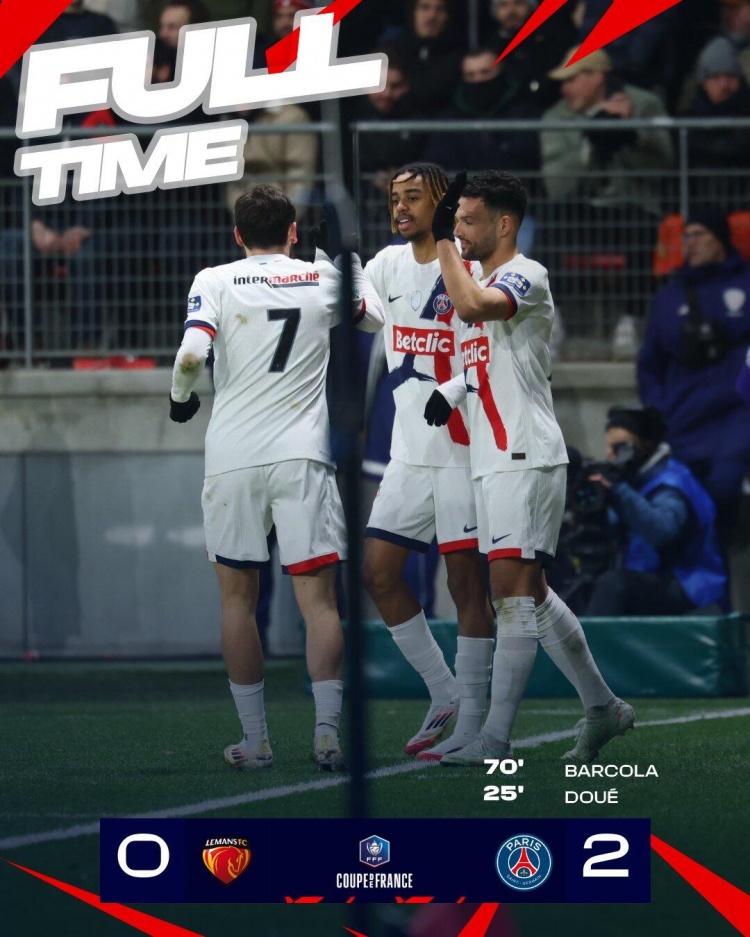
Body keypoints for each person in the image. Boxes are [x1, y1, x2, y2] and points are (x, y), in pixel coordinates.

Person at [167, 184, 384, 771]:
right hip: (302, 458)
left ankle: (256, 741)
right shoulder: (321, 278)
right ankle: (328, 735)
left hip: (233, 459)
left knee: (237, 601)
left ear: (238, 234)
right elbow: (374, 318)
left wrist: (180, 398)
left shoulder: (214, 279)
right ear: (292, 232)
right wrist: (346, 262)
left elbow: (191, 354)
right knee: (320, 603)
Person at [430, 169, 634, 766]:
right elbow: (494, 362)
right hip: (494, 459)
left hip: (524, 453)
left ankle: (494, 740)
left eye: (468, 221)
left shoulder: (526, 274)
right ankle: (604, 708)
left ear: (504, 224)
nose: (460, 231)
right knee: (533, 594)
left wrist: (441, 241)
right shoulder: (481, 278)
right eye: (456, 221)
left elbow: (472, 307)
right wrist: (454, 387)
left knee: (510, 594)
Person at [361, 162, 497, 763]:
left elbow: (491, 352)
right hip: (408, 455)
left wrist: (459, 386)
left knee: (466, 585)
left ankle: (473, 722)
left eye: (414, 197)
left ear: (441, 200)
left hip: (464, 451)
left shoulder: (470, 266)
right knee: (378, 574)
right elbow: (354, 309)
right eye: (395, 197)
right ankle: (443, 690)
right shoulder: (384, 264)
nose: (401, 207)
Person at [638, 210, 750, 548]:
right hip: (683, 414)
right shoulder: (669, 297)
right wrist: (658, 411)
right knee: (677, 488)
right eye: (687, 236)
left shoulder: (745, 285)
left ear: (721, 239)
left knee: (724, 481)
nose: (691, 243)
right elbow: (650, 364)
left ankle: (719, 558)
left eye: (700, 234)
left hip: (736, 411)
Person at [584, 407, 727, 616]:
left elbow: (662, 532)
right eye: (609, 446)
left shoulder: (673, 483)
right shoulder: (633, 478)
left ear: (647, 446)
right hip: (649, 574)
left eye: (620, 447)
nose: (610, 454)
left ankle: (588, 639)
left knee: (614, 585)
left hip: (688, 582)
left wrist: (617, 494)